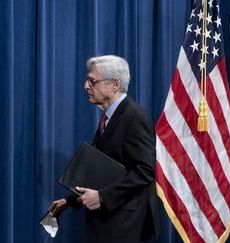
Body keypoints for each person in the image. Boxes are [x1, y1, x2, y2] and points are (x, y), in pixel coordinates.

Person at [49, 55, 159, 243]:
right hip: (108, 222)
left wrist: (102, 197)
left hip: (124, 225)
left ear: (114, 85)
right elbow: (101, 172)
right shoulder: (110, 117)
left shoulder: (134, 116)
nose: (85, 86)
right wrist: (70, 201)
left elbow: (145, 171)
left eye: (92, 81)